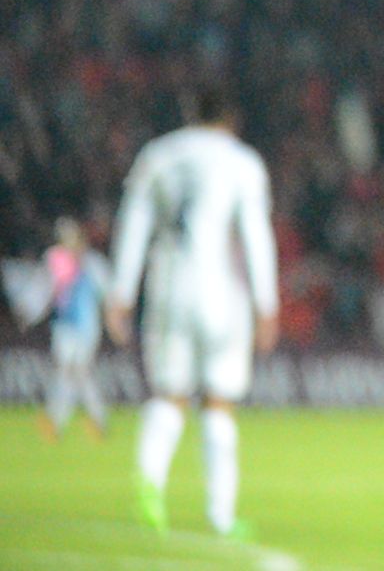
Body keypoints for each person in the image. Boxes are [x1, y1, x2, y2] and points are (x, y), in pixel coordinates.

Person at [106, 90, 278, 539]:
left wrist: (121, 291)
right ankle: (221, 515)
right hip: (222, 292)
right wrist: (268, 306)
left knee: (168, 395)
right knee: (219, 403)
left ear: (190, 113)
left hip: (168, 287)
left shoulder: (157, 156)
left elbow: (134, 224)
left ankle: (150, 488)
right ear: (231, 118)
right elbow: (256, 235)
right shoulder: (242, 162)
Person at [38, 217, 108, 439]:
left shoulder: (93, 263)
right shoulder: (58, 261)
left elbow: (107, 291)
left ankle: (84, 418)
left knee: (79, 372)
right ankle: (60, 420)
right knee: (67, 371)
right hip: (64, 325)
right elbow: (49, 290)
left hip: (87, 326)